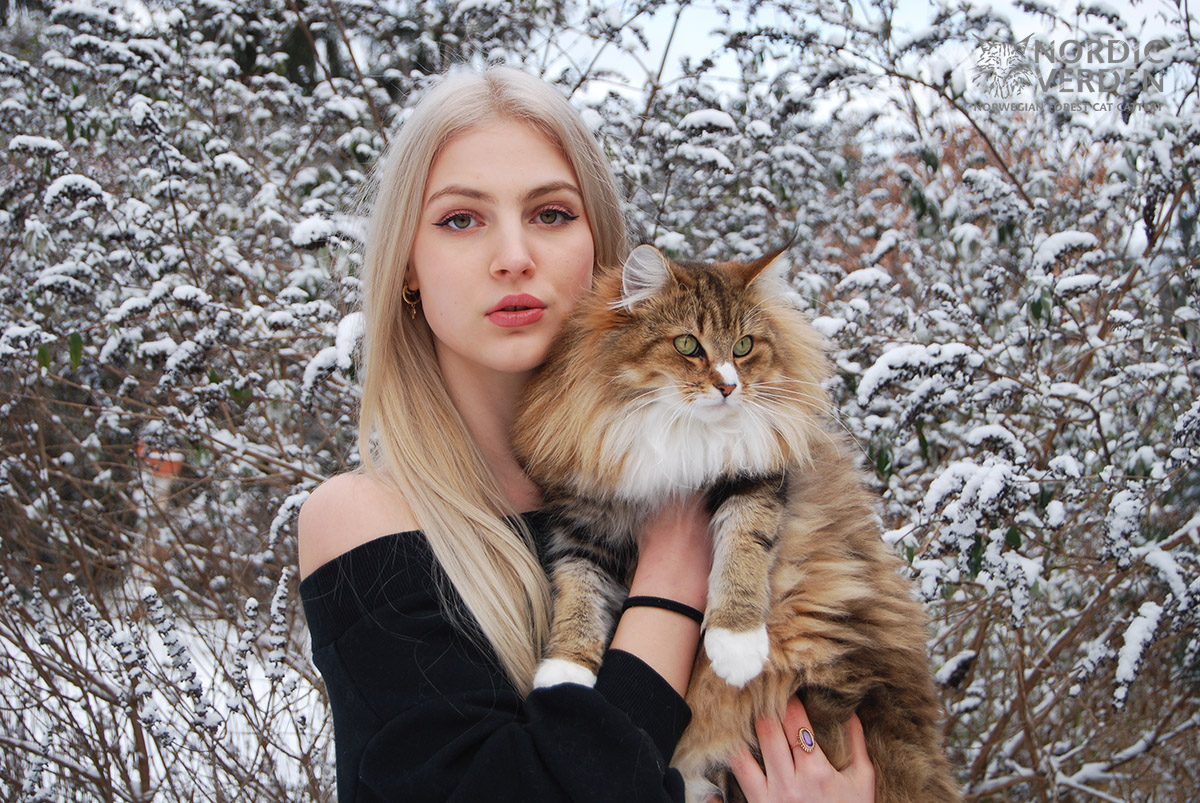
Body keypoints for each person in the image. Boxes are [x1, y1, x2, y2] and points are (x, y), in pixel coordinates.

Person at [297, 65, 875, 802]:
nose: (514, 256)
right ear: (408, 266)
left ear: (602, 252)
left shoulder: (744, 467)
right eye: (461, 219)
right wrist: (672, 572)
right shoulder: (365, 520)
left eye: (551, 214)